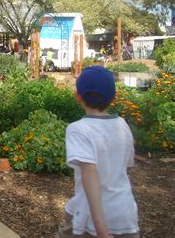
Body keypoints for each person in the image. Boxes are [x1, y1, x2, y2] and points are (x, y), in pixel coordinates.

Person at [58, 66, 139, 238]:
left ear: (78, 96)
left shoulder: (78, 129)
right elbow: (127, 166)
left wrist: (100, 227)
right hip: (125, 214)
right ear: (114, 97)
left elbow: (89, 172)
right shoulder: (122, 126)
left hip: (90, 217)